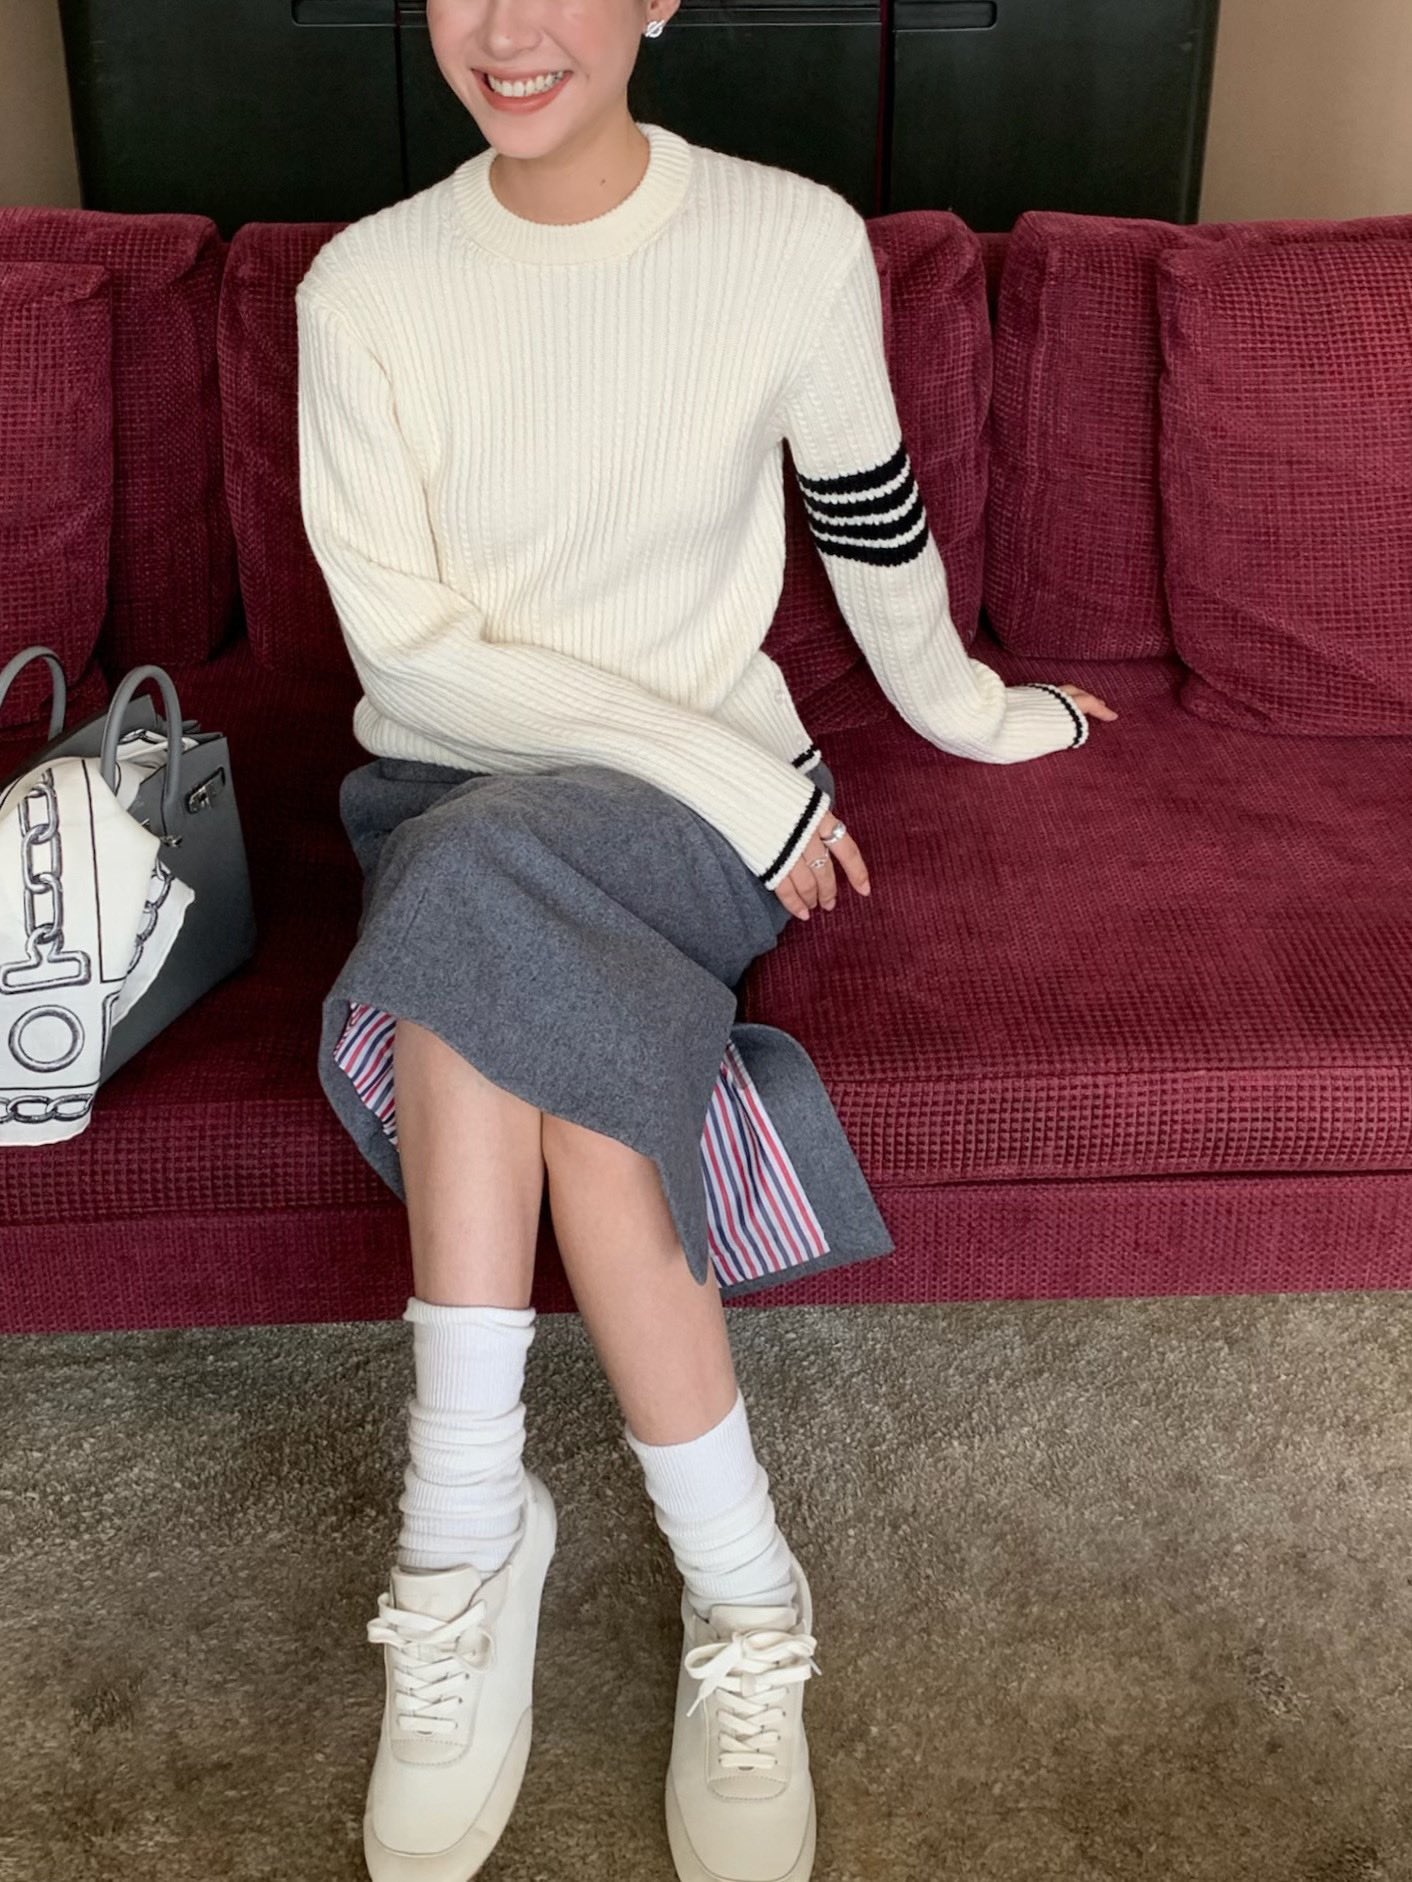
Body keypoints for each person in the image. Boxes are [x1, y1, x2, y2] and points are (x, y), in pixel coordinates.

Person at [295, 0, 1118, 1874]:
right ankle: (741, 1581)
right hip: (472, 778)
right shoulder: (366, 290)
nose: (508, 29)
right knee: (545, 1014)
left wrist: (983, 715)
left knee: (469, 927)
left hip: (689, 822)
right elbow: (410, 656)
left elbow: (872, 528)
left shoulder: (787, 240)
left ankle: (463, 1537)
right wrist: (739, 780)